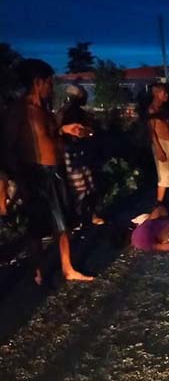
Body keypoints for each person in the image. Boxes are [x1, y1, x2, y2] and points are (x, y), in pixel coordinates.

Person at [4, 58, 93, 283]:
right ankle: (38, 270)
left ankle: (67, 268)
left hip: (55, 172)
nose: (51, 87)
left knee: (62, 222)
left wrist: (66, 129)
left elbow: (51, 134)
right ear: (38, 82)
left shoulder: (43, 110)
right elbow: (8, 146)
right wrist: (17, 178)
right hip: (34, 174)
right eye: (49, 82)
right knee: (37, 225)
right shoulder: (19, 111)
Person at [57, 85, 103, 226]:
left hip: (82, 151)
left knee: (89, 184)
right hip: (70, 153)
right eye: (83, 97)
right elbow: (57, 131)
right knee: (78, 188)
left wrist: (88, 133)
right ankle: (79, 218)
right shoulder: (64, 113)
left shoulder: (79, 113)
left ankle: (90, 215)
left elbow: (89, 131)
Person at [147, 83, 169, 206]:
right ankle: (159, 204)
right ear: (156, 94)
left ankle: (167, 202)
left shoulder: (163, 109)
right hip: (161, 143)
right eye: (163, 93)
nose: (166, 95)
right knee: (164, 177)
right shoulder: (152, 110)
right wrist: (159, 149)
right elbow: (151, 131)